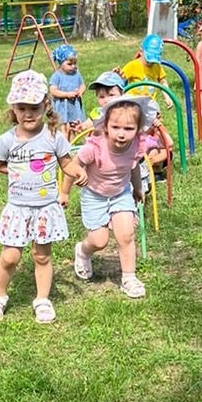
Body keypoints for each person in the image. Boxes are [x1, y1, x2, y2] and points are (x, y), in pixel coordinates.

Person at [0, 69, 82, 325]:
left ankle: (42, 299)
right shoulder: (7, 140)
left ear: (46, 106)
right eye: (21, 108)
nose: (28, 114)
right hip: (18, 208)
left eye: (34, 108)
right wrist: (17, 172)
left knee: (42, 256)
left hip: (44, 209)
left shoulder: (53, 137)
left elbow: (66, 163)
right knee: (10, 256)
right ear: (13, 109)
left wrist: (79, 172)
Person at [72, 96, 153, 299]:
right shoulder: (94, 148)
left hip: (120, 193)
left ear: (138, 129)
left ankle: (129, 278)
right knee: (99, 241)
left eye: (129, 129)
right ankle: (83, 251)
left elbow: (133, 167)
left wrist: (137, 188)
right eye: (116, 127)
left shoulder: (136, 146)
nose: (121, 134)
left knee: (126, 235)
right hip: (95, 195)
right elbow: (73, 165)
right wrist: (64, 192)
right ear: (106, 126)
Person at [47, 44, 86, 137]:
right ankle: (64, 143)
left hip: (74, 106)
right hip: (62, 107)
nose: (73, 66)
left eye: (75, 63)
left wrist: (80, 91)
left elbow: (82, 85)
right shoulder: (57, 76)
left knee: (73, 126)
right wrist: (67, 94)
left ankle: (71, 143)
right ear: (61, 63)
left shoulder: (76, 74)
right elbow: (53, 90)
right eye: (69, 64)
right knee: (64, 127)